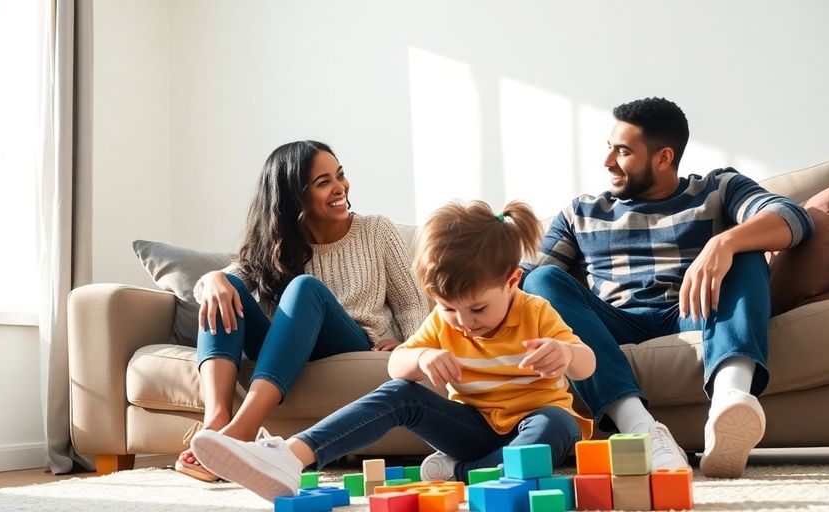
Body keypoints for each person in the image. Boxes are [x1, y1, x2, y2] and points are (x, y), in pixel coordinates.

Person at [189, 200, 597, 502]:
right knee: (401, 393)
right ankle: (292, 456)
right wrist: (420, 358)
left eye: (477, 308)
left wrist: (565, 353)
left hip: (535, 426)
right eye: (450, 308)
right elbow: (396, 365)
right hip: (472, 429)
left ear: (511, 282)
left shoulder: (535, 311)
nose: (465, 321)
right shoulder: (443, 321)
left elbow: (587, 362)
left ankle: (461, 473)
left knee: (556, 423)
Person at [521, 97, 813, 479]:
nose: (608, 162)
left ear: (663, 158)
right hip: (613, 322)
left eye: (623, 151)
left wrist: (722, 243)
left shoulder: (718, 188)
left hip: (693, 312)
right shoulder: (581, 213)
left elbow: (793, 218)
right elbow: (528, 279)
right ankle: (641, 427)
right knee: (543, 281)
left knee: (745, 250)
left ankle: (730, 403)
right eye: (609, 148)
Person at [174, 140, 429, 482]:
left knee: (304, 288)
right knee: (226, 286)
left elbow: (412, 303)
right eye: (324, 183)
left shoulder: (376, 231)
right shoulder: (274, 242)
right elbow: (219, 283)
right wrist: (212, 279)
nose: (340, 188)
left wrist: (409, 345)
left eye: (340, 176)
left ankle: (243, 430)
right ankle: (216, 422)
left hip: (349, 339)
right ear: (294, 196)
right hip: (290, 347)